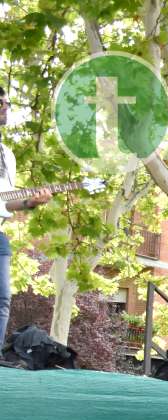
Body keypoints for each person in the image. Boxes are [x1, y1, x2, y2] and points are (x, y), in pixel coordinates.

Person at [0, 87, 52, 341]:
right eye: (0, 102)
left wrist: (31, 202)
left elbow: (6, 202)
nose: (5, 107)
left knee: (2, 298)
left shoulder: (6, 155)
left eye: (6, 102)